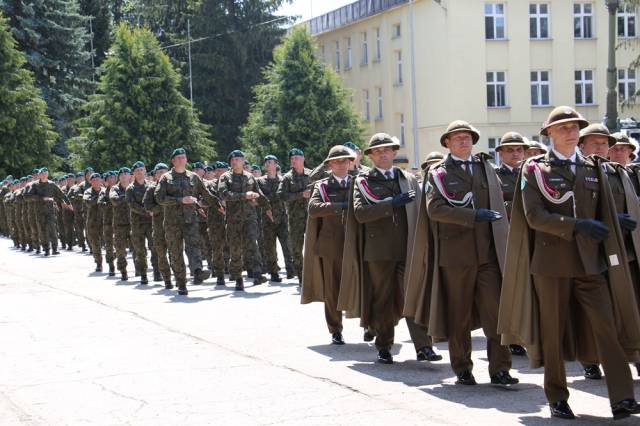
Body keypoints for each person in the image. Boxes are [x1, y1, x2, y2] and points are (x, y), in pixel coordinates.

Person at [498, 106, 640, 420]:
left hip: (591, 263)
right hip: (552, 265)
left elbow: (597, 209)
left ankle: (622, 398)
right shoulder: (534, 170)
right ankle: (557, 397)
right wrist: (576, 226)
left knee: (609, 329)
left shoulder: (593, 167)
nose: (571, 132)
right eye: (563, 128)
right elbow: (534, 216)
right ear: (549, 133)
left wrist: (613, 221)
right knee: (553, 331)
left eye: (574, 127)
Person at [425, 121, 516, 385]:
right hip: (456, 255)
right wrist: (472, 215)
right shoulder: (439, 173)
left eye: (467, 138)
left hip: (488, 253)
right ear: (447, 143)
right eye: (458, 138)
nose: (464, 142)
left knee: (495, 313)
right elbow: (435, 210)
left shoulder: (485, 168)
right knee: (459, 315)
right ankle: (462, 367)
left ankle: (500, 368)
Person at [339, 133, 442, 364]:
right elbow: (361, 213)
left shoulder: (407, 178)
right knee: (383, 300)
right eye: (378, 151)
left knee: (412, 294)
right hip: (379, 251)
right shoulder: (364, 182)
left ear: (395, 153)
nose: (383, 153)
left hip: (407, 248)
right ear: (371, 156)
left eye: (387, 149)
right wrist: (390, 204)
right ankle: (384, 345)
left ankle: (424, 346)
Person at [302, 145, 356, 344]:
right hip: (331, 244)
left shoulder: (358, 183)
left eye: (346, 160)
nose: (342, 164)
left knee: (362, 284)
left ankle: (370, 325)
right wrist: (340, 207)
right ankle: (335, 329)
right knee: (332, 290)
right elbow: (314, 208)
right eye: (337, 161)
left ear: (351, 163)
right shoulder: (322, 186)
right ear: (329, 165)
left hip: (355, 243)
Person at [155, 148, 220, 295]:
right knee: (176, 251)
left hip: (190, 220)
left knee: (194, 246)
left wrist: (218, 206)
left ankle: (197, 271)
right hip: (172, 222)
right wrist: (180, 200)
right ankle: (181, 282)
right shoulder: (165, 178)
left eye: (183, 157)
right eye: (178, 158)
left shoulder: (193, 177)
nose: (181, 160)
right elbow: (159, 198)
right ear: (173, 161)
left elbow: (206, 194)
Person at [218, 150, 270, 291]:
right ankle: (238, 278)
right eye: (233, 160)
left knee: (253, 245)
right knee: (235, 249)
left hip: (249, 218)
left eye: (238, 159)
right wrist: (244, 196)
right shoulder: (225, 177)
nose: (235, 162)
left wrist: (267, 207)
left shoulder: (250, 177)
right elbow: (224, 194)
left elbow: (259, 194)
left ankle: (258, 274)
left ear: (243, 161)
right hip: (233, 219)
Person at [256, 155, 295, 281]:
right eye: (266, 162)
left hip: (282, 218)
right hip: (267, 219)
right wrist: (265, 206)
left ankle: (291, 270)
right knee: (270, 247)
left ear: (276, 164)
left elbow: (287, 196)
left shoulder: (283, 180)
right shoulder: (260, 181)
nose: (267, 164)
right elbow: (257, 199)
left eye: (270, 162)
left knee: (287, 246)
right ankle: (273, 272)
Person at [277, 148, 311, 284]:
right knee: (296, 248)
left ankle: (313, 273)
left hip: (311, 217)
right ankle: (301, 276)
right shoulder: (287, 178)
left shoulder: (311, 174)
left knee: (313, 247)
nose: (294, 161)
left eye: (296, 158)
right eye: (292, 159)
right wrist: (300, 195)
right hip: (295, 218)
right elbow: (281, 195)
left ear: (303, 159)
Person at [126, 161, 157, 285]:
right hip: (137, 223)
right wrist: (148, 211)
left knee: (154, 247)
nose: (140, 172)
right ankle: (143, 274)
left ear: (145, 171)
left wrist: (153, 211)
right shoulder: (130, 189)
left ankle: (157, 271)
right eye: (137, 170)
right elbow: (132, 205)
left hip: (151, 223)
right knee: (140, 250)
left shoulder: (151, 185)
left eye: (142, 170)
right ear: (133, 173)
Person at [143, 163, 173, 289]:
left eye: (164, 171)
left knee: (175, 252)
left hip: (173, 224)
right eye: (159, 172)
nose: (162, 174)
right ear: (155, 175)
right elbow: (147, 205)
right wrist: (160, 208)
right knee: (159, 252)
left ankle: (177, 275)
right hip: (158, 225)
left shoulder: (172, 186)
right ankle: (163, 275)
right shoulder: (151, 188)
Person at [110, 167, 132, 281]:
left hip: (134, 222)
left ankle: (141, 270)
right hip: (120, 224)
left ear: (130, 176)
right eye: (122, 175)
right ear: (119, 177)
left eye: (126, 174)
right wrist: (129, 197)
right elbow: (114, 200)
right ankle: (123, 271)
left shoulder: (133, 187)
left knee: (140, 248)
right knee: (120, 249)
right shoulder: (114, 188)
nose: (124, 176)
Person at [83, 173, 104, 271]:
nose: (96, 181)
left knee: (109, 242)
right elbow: (89, 202)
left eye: (98, 179)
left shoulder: (106, 190)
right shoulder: (87, 192)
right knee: (95, 243)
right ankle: (98, 263)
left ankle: (111, 260)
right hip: (93, 221)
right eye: (94, 180)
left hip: (105, 220)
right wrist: (101, 199)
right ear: (91, 182)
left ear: (101, 181)